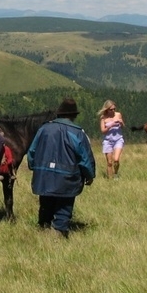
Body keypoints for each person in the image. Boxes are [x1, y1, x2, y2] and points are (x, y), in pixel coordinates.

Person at [27, 98, 96, 238]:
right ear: (74, 115)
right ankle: (59, 230)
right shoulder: (77, 133)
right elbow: (85, 159)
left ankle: (44, 227)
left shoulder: (44, 129)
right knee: (64, 205)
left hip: (44, 174)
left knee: (46, 203)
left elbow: (32, 152)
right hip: (68, 176)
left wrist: (35, 167)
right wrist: (89, 175)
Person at [98, 99, 124, 179]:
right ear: (107, 109)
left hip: (118, 139)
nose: (113, 111)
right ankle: (110, 179)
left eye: (114, 109)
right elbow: (103, 131)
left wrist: (121, 122)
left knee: (116, 159)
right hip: (108, 141)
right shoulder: (103, 118)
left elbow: (123, 126)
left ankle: (115, 174)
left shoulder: (118, 114)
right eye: (111, 109)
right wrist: (110, 125)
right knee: (109, 162)